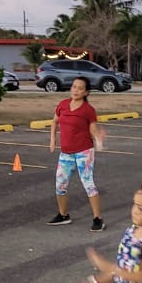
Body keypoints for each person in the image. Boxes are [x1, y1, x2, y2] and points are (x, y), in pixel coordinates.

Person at [48, 76, 105, 232]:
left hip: (84, 152)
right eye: (74, 87)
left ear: (86, 92)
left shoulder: (88, 110)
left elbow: (92, 128)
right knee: (60, 185)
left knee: (88, 184)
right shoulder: (63, 105)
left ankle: (97, 218)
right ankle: (63, 215)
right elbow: (55, 121)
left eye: (80, 88)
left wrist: (98, 138)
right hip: (66, 153)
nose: (76, 90)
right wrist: (52, 140)